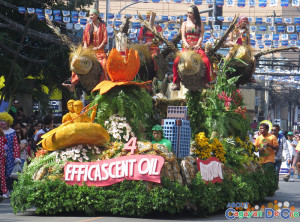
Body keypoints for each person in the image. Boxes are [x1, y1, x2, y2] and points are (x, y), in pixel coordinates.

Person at [63, 9, 108, 92]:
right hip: (89, 52)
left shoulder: (102, 26)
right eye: (90, 15)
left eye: (92, 15)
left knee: (104, 64)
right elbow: (84, 40)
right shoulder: (88, 26)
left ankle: (104, 84)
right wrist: (85, 49)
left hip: (99, 52)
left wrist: (98, 48)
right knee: (76, 62)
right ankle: (72, 83)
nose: (90, 17)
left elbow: (105, 40)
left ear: (97, 15)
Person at [171, 5, 211, 90]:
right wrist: (186, 44)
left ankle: (206, 81)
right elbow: (183, 36)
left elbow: (201, 36)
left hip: (197, 48)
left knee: (206, 62)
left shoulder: (201, 24)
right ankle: (176, 83)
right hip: (186, 48)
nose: (189, 14)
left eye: (191, 13)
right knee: (175, 62)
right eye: (188, 13)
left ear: (195, 13)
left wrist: (197, 44)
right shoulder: (184, 24)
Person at [138, 11, 162, 80]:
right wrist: (143, 45)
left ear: (153, 19)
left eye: (149, 18)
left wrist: (154, 42)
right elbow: (140, 38)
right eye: (147, 18)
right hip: (145, 48)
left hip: (154, 47)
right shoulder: (143, 28)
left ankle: (155, 74)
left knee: (154, 57)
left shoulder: (158, 28)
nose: (148, 19)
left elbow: (160, 41)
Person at [0, 112, 20, 192]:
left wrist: (16, 157)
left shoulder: (12, 132)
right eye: (0, 120)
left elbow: (15, 145)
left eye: (3, 120)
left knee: (9, 173)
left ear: (8, 122)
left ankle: (9, 188)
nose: (1, 122)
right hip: (1, 156)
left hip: (10, 157)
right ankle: (3, 190)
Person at [0, 128, 9, 198]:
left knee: (2, 177)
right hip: (2, 161)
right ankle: (4, 192)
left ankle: (4, 191)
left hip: (1, 161)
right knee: (2, 177)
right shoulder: (3, 139)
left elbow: (5, 148)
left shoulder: (3, 139)